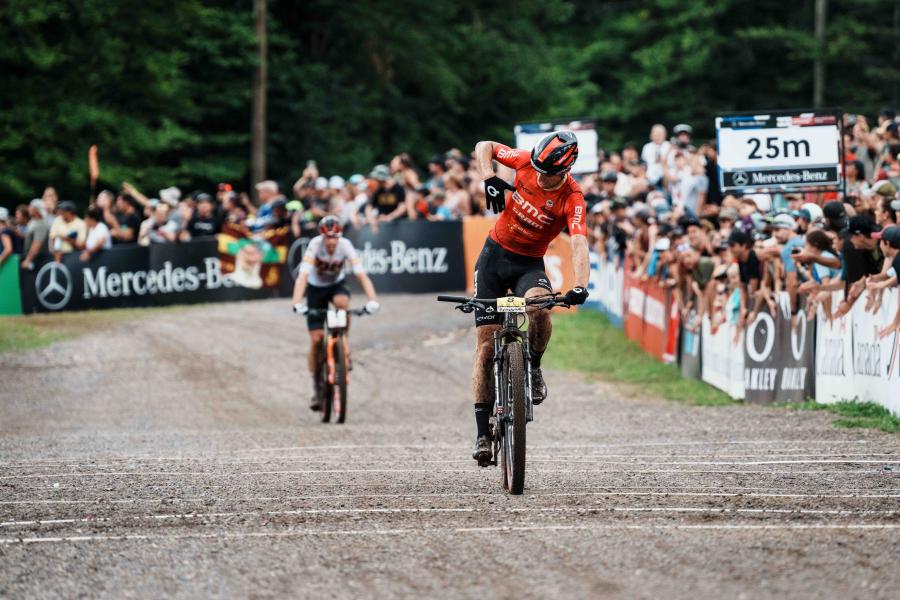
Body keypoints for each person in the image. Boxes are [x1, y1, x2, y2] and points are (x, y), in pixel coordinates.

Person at [469, 130, 590, 466]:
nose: (538, 174)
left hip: (528, 265)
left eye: (546, 172)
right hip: (493, 259)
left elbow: (579, 244)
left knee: (541, 307)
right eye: (536, 167)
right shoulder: (525, 161)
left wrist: (580, 284)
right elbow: (485, 145)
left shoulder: (572, 197)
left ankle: (533, 366)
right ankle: (481, 433)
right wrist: (489, 176)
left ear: (563, 171)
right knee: (486, 348)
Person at [291, 216, 380, 411]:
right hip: (315, 289)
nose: (331, 242)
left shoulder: (345, 245)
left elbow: (361, 274)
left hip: (335, 285)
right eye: (327, 238)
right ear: (322, 236)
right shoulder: (314, 246)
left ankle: (343, 345)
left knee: (342, 302)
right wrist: (297, 302)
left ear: (339, 236)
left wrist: (373, 300)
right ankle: (316, 384)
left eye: (334, 238)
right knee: (316, 338)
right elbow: (303, 276)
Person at [20, 199, 49, 270]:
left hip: (38, 260)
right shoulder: (33, 221)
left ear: (35, 209)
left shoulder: (41, 224)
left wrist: (28, 260)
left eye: (30, 206)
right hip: (32, 258)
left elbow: (37, 244)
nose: (28, 208)